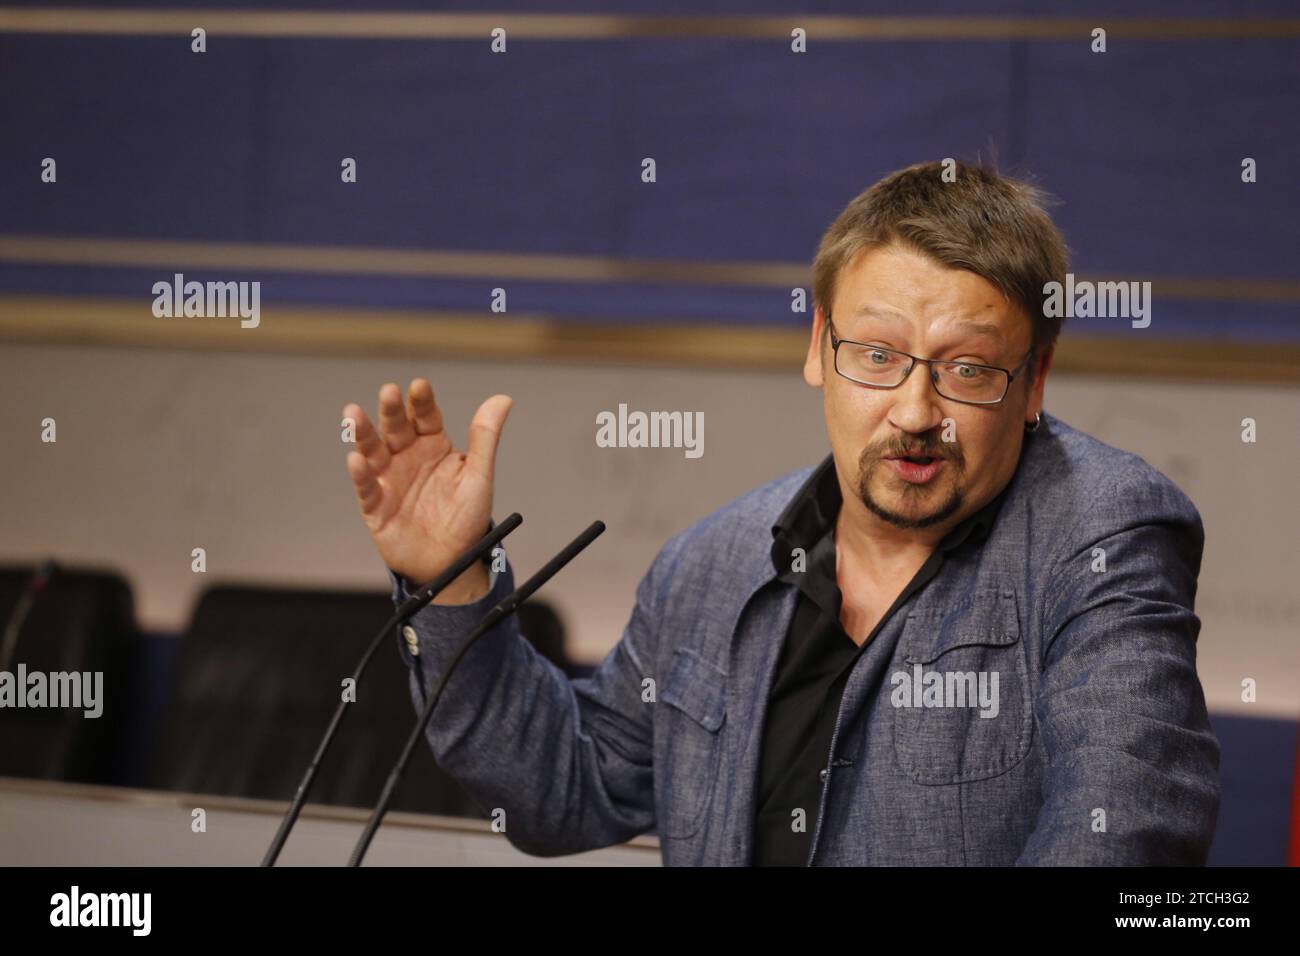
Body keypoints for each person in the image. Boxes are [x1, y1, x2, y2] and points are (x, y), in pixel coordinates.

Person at [341, 160, 1219, 866]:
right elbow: (564, 790)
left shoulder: (1101, 532)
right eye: (877, 354)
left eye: (968, 369)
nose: (915, 412)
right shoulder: (712, 565)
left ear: (1034, 382)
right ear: (817, 350)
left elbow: (1127, 822)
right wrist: (452, 581)